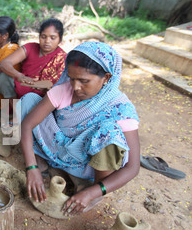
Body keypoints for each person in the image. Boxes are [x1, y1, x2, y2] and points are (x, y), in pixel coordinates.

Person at [20, 41, 140, 216]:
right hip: (56, 148)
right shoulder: (64, 90)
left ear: (106, 77)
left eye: (84, 81)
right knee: (29, 100)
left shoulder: (121, 109)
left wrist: (93, 191)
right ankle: (43, 162)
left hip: (86, 165)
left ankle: (93, 188)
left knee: (109, 133)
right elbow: (27, 124)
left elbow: (133, 167)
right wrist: (31, 168)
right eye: (71, 78)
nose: (75, 87)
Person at [0, 18, 66, 99]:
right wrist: (19, 76)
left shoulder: (62, 58)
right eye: (43, 37)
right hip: (21, 86)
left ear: (60, 39)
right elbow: (4, 63)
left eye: (52, 38)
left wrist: (43, 87)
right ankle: (14, 109)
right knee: (4, 76)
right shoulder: (30, 47)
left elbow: (60, 86)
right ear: (39, 36)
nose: (47, 41)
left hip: (42, 98)